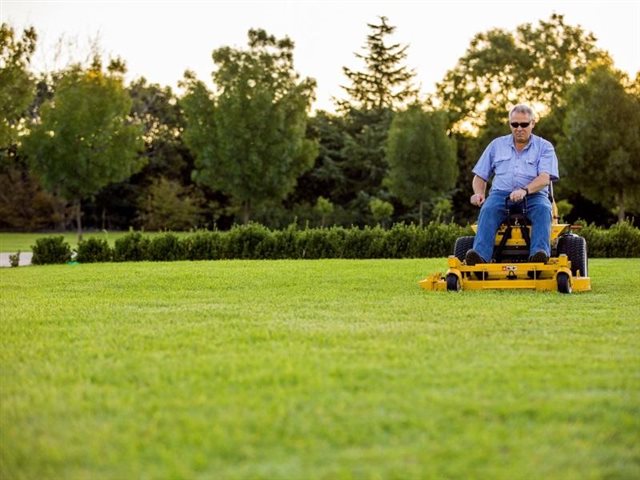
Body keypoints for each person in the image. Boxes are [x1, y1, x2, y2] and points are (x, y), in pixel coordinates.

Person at [465, 104, 559, 265]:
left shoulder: (544, 147)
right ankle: (479, 257)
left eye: (524, 124)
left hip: (534, 196)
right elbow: (480, 175)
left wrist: (525, 190)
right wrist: (479, 193)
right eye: (514, 124)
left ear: (533, 123)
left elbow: (544, 178)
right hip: (500, 195)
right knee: (488, 208)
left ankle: (539, 254)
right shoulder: (496, 145)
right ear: (510, 124)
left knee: (544, 209)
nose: (519, 128)